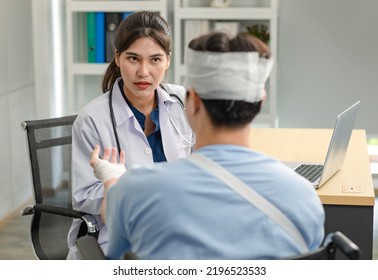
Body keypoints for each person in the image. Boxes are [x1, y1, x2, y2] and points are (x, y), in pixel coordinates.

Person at [91, 31, 325, 260]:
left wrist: (112, 179)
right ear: (259, 103)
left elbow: (118, 252)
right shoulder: (303, 197)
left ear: (192, 103)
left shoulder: (136, 190)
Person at [66, 11, 194, 260]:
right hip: (119, 232)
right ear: (117, 58)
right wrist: (122, 185)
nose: (143, 72)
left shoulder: (185, 103)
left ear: (168, 61)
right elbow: (82, 196)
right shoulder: (93, 119)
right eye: (133, 58)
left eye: (155, 59)